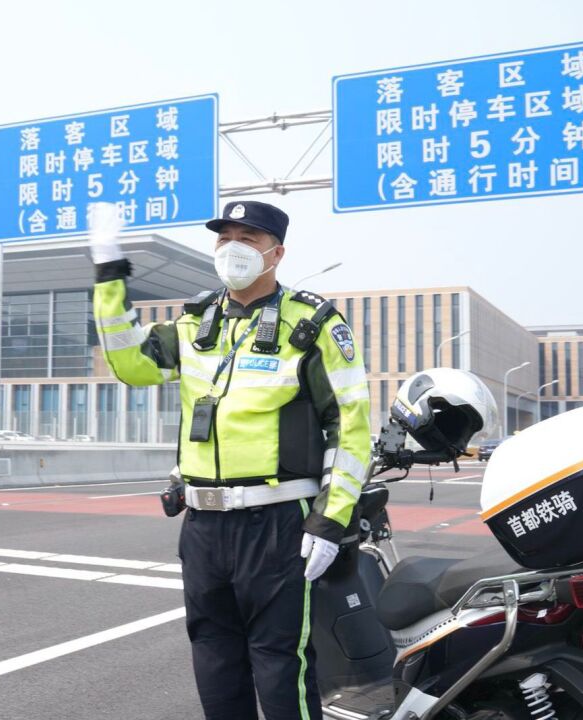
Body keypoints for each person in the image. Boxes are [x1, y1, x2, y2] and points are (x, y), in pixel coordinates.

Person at [89, 200, 372, 720]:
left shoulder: (313, 325)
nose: (233, 248)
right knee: (215, 666)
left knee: (281, 672)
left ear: (277, 253)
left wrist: (330, 522)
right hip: (203, 525)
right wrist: (110, 274)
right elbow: (129, 362)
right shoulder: (195, 322)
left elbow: (351, 431)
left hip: (278, 525)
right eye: (224, 238)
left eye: (249, 238)